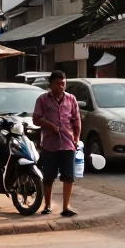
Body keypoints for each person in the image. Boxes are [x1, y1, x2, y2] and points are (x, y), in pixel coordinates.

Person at [33, 70, 82, 216]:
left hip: (68, 144)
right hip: (49, 144)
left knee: (68, 176)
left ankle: (66, 207)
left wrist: (77, 138)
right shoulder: (42, 99)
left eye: (63, 84)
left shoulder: (71, 99)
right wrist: (49, 125)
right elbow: (36, 119)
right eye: (58, 84)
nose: (61, 87)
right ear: (51, 84)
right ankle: (47, 205)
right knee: (48, 176)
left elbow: (77, 120)